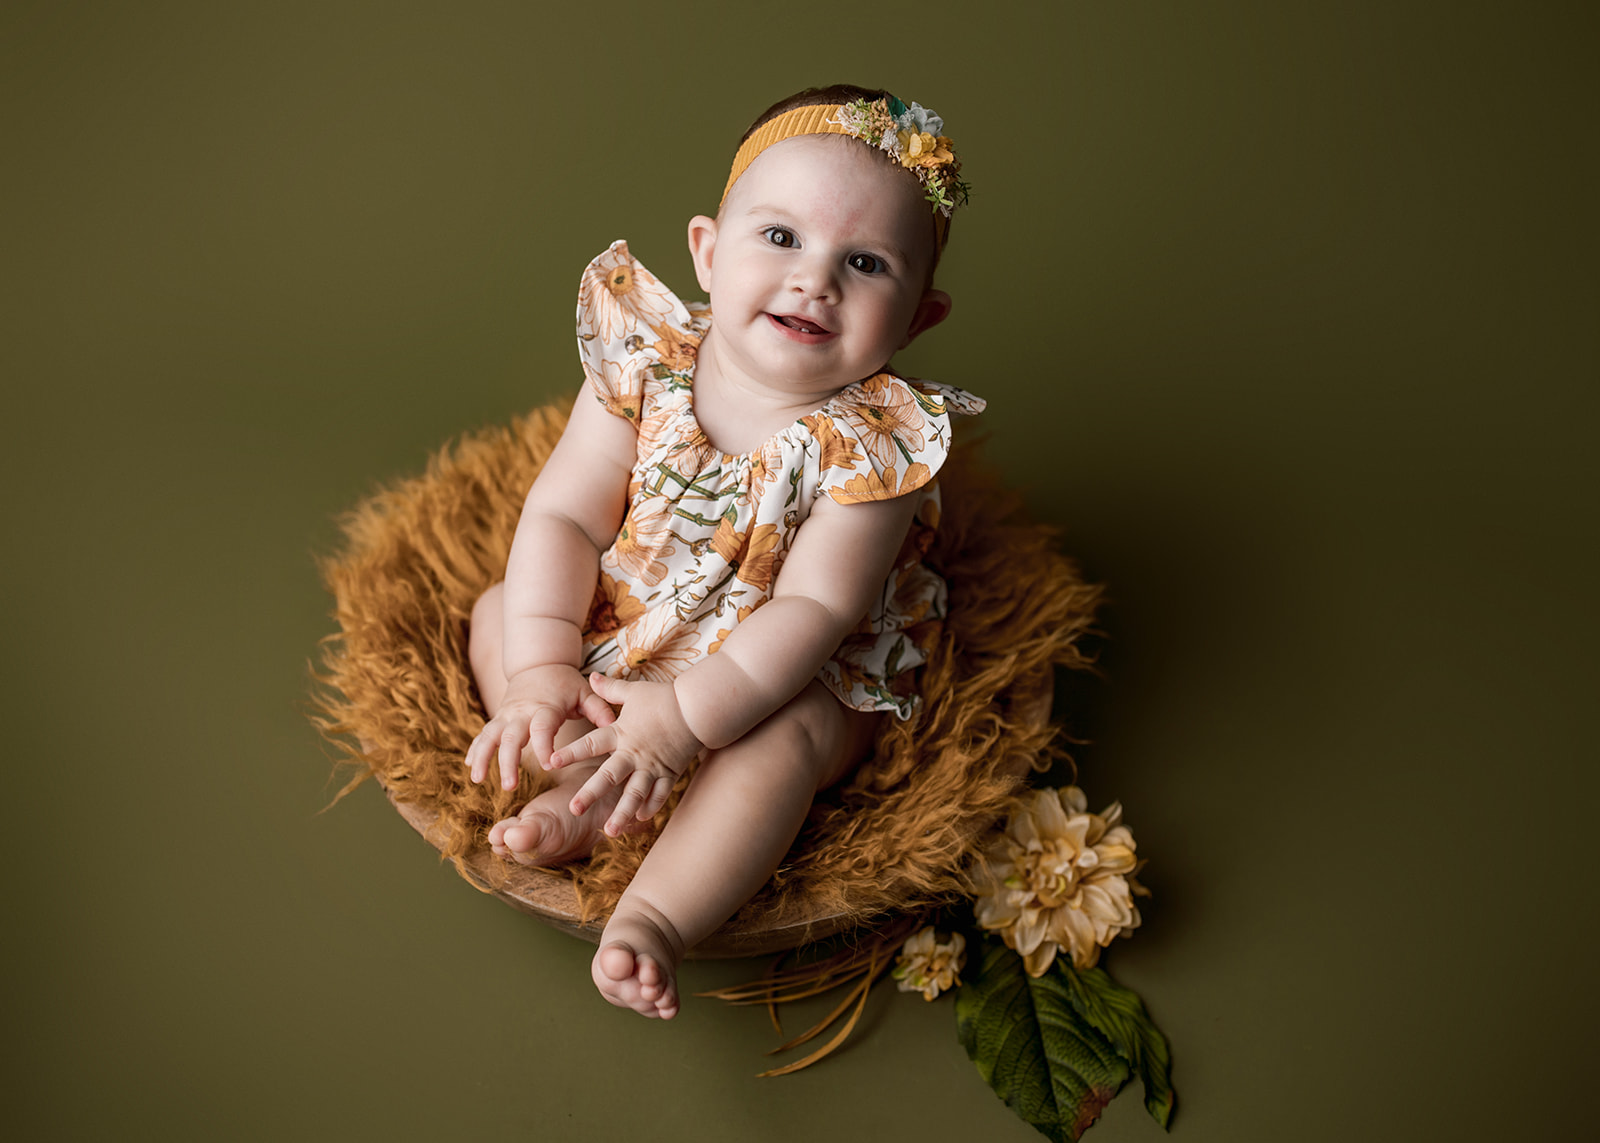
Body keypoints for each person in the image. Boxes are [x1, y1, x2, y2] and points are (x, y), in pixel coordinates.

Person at [462, 85, 982, 1019]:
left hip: (787, 667)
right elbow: (566, 519)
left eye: (863, 263)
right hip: (646, 607)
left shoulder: (872, 446)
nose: (813, 281)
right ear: (707, 250)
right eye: (780, 238)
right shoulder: (647, 359)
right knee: (501, 612)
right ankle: (581, 776)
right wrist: (541, 667)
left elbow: (813, 612)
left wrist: (691, 718)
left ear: (916, 319)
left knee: (781, 747)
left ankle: (655, 914)